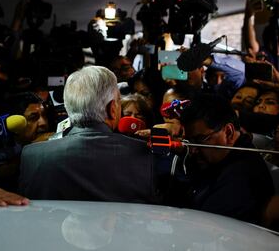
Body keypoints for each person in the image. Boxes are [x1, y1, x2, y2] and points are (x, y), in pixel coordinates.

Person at [19, 65, 159, 203]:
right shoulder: (146, 155)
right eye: (118, 101)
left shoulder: (31, 155)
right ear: (112, 109)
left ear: (69, 109)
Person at [178, 93, 274, 225]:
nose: (193, 150)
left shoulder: (239, 180)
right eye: (190, 142)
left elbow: (201, 226)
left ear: (228, 132)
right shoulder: (220, 159)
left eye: (200, 140)